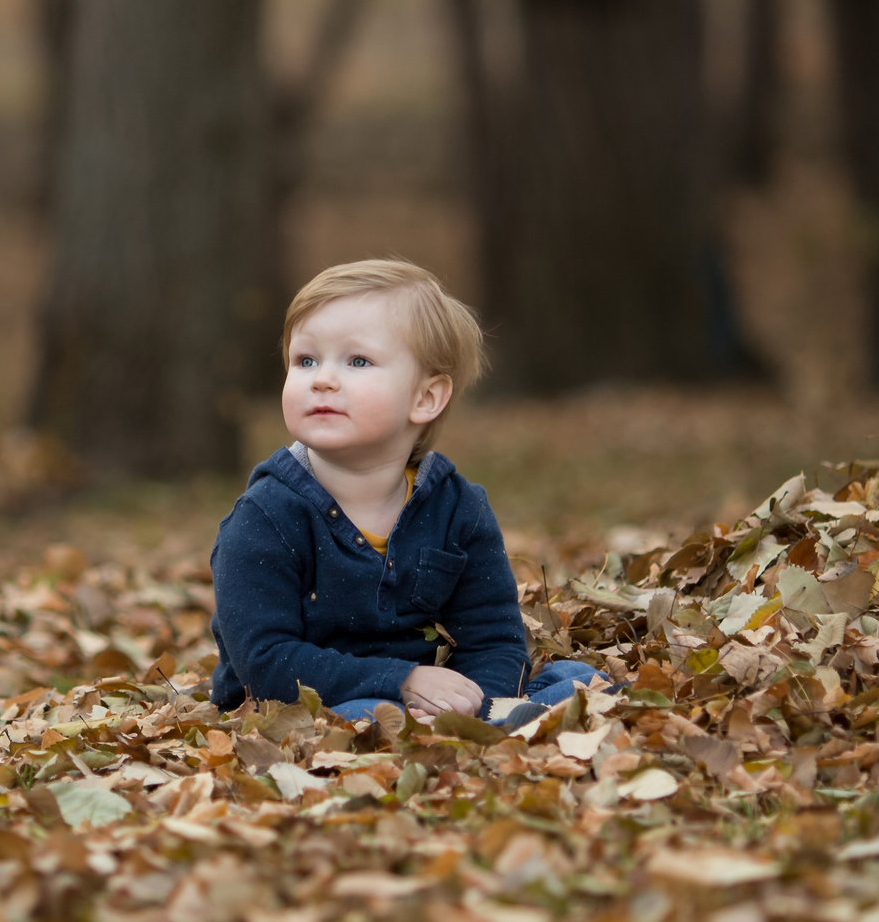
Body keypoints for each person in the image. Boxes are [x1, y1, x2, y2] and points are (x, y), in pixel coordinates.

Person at [209, 258, 605, 728]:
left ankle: (489, 729)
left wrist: (477, 708)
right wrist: (401, 680)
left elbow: (493, 639)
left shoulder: (457, 508)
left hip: (421, 695)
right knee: (367, 719)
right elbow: (265, 664)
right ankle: (446, 730)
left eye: (357, 361)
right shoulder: (265, 516)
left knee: (581, 679)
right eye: (305, 360)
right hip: (295, 704)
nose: (322, 378)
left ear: (426, 399)